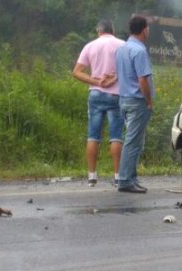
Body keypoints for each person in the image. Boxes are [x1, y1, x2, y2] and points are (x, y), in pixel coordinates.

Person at [72, 19, 125, 187]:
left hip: (95, 95)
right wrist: (114, 78)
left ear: (98, 31)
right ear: (113, 30)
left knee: (93, 136)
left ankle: (92, 176)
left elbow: (77, 72)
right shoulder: (122, 45)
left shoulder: (90, 46)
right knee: (116, 136)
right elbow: (129, 70)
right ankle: (118, 176)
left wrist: (95, 82)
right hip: (116, 95)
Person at [115, 16, 154, 194]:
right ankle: (124, 180)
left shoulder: (122, 49)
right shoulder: (139, 51)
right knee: (132, 141)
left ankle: (131, 178)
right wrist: (149, 100)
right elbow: (142, 79)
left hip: (123, 99)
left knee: (135, 141)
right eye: (148, 28)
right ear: (144, 30)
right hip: (137, 100)